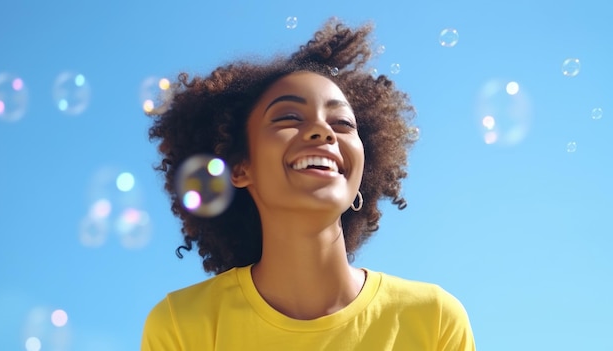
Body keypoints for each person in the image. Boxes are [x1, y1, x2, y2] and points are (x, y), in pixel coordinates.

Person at [141, 19, 476, 350]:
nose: (323, 132)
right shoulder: (182, 325)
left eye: (343, 123)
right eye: (289, 117)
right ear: (240, 167)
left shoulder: (434, 320)